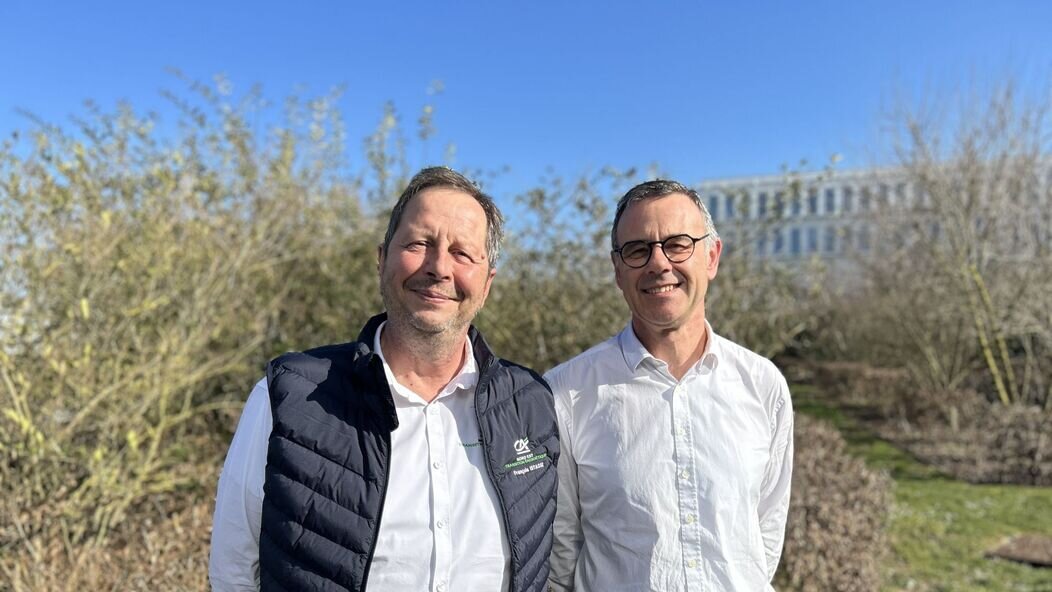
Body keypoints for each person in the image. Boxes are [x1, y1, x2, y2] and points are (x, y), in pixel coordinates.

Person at [209, 167, 559, 592]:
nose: (438, 268)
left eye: (463, 253)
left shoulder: (534, 407)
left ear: (487, 284)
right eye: (419, 243)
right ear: (382, 259)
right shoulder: (287, 396)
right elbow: (233, 570)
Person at [546, 180, 794, 591]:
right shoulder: (567, 393)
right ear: (618, 270)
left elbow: (764, 538)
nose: (659, 263)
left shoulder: (763, 384)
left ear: (712, 257)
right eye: (638, 249)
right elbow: (561, 554)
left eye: (678, 244)